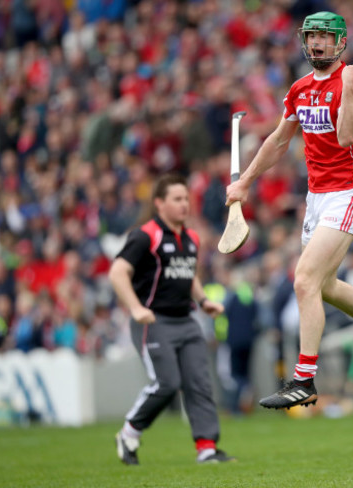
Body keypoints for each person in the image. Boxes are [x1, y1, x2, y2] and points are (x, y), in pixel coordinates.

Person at [225, 11, 353, 410]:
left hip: (349, 193)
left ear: (341, 42)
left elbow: (347, 136)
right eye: (311, 36)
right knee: (324, 287)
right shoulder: (299, 89)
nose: (316, 44)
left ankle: (303, 380)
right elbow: (278, 141)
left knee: (304, 280)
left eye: (325, 37)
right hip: (317, 197)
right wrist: (245, 182)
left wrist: (346, 86)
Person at [109, 173, 235, 464]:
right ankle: (129, 433)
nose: (184, 205)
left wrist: (203, 301)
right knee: (166, 383)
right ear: (159, 203)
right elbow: (117, 272)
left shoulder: (190, 237)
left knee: (199, 383)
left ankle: (206, 448)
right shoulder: (144, 236)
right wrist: (136, 308)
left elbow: (186, 274)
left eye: (186, 199)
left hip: (186, 320)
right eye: (177, 199)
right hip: (154, 322)